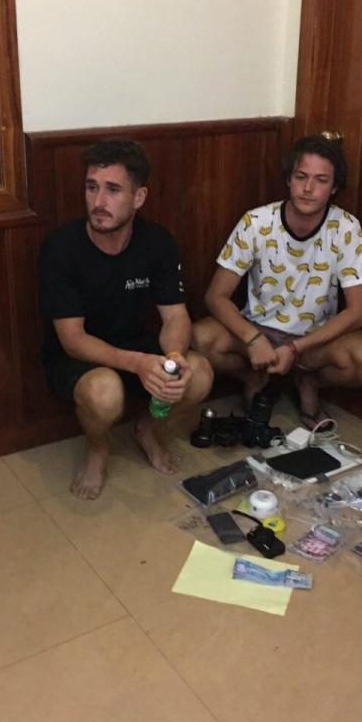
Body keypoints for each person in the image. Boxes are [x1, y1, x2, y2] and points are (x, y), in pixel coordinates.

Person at [39, 138, 213, 499]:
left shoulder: (157, 242)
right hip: (79, 357)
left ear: (139, 197)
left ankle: (147, 428)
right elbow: (73, 339)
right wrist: (139, 364)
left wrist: (174, 358)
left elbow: (175, 317)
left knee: (198, 374)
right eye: (91, 187)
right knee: (104, 392)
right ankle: (98, 448)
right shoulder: (61, 248)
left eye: (113, 190)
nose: (98, 202)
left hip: (137, 346)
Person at [192, 134, 362, 427]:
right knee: (198, 337)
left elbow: (359, 312)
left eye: (321, 180)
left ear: (334, 187)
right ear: (288, 180)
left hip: (314, 340)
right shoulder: (256, 221)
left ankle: (308, 382)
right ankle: (254, 376)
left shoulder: (346, 227)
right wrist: (253, 339)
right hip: (258, 330)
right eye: (301, 177)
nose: (308, 188)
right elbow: (215, 296)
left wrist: (297, 348)